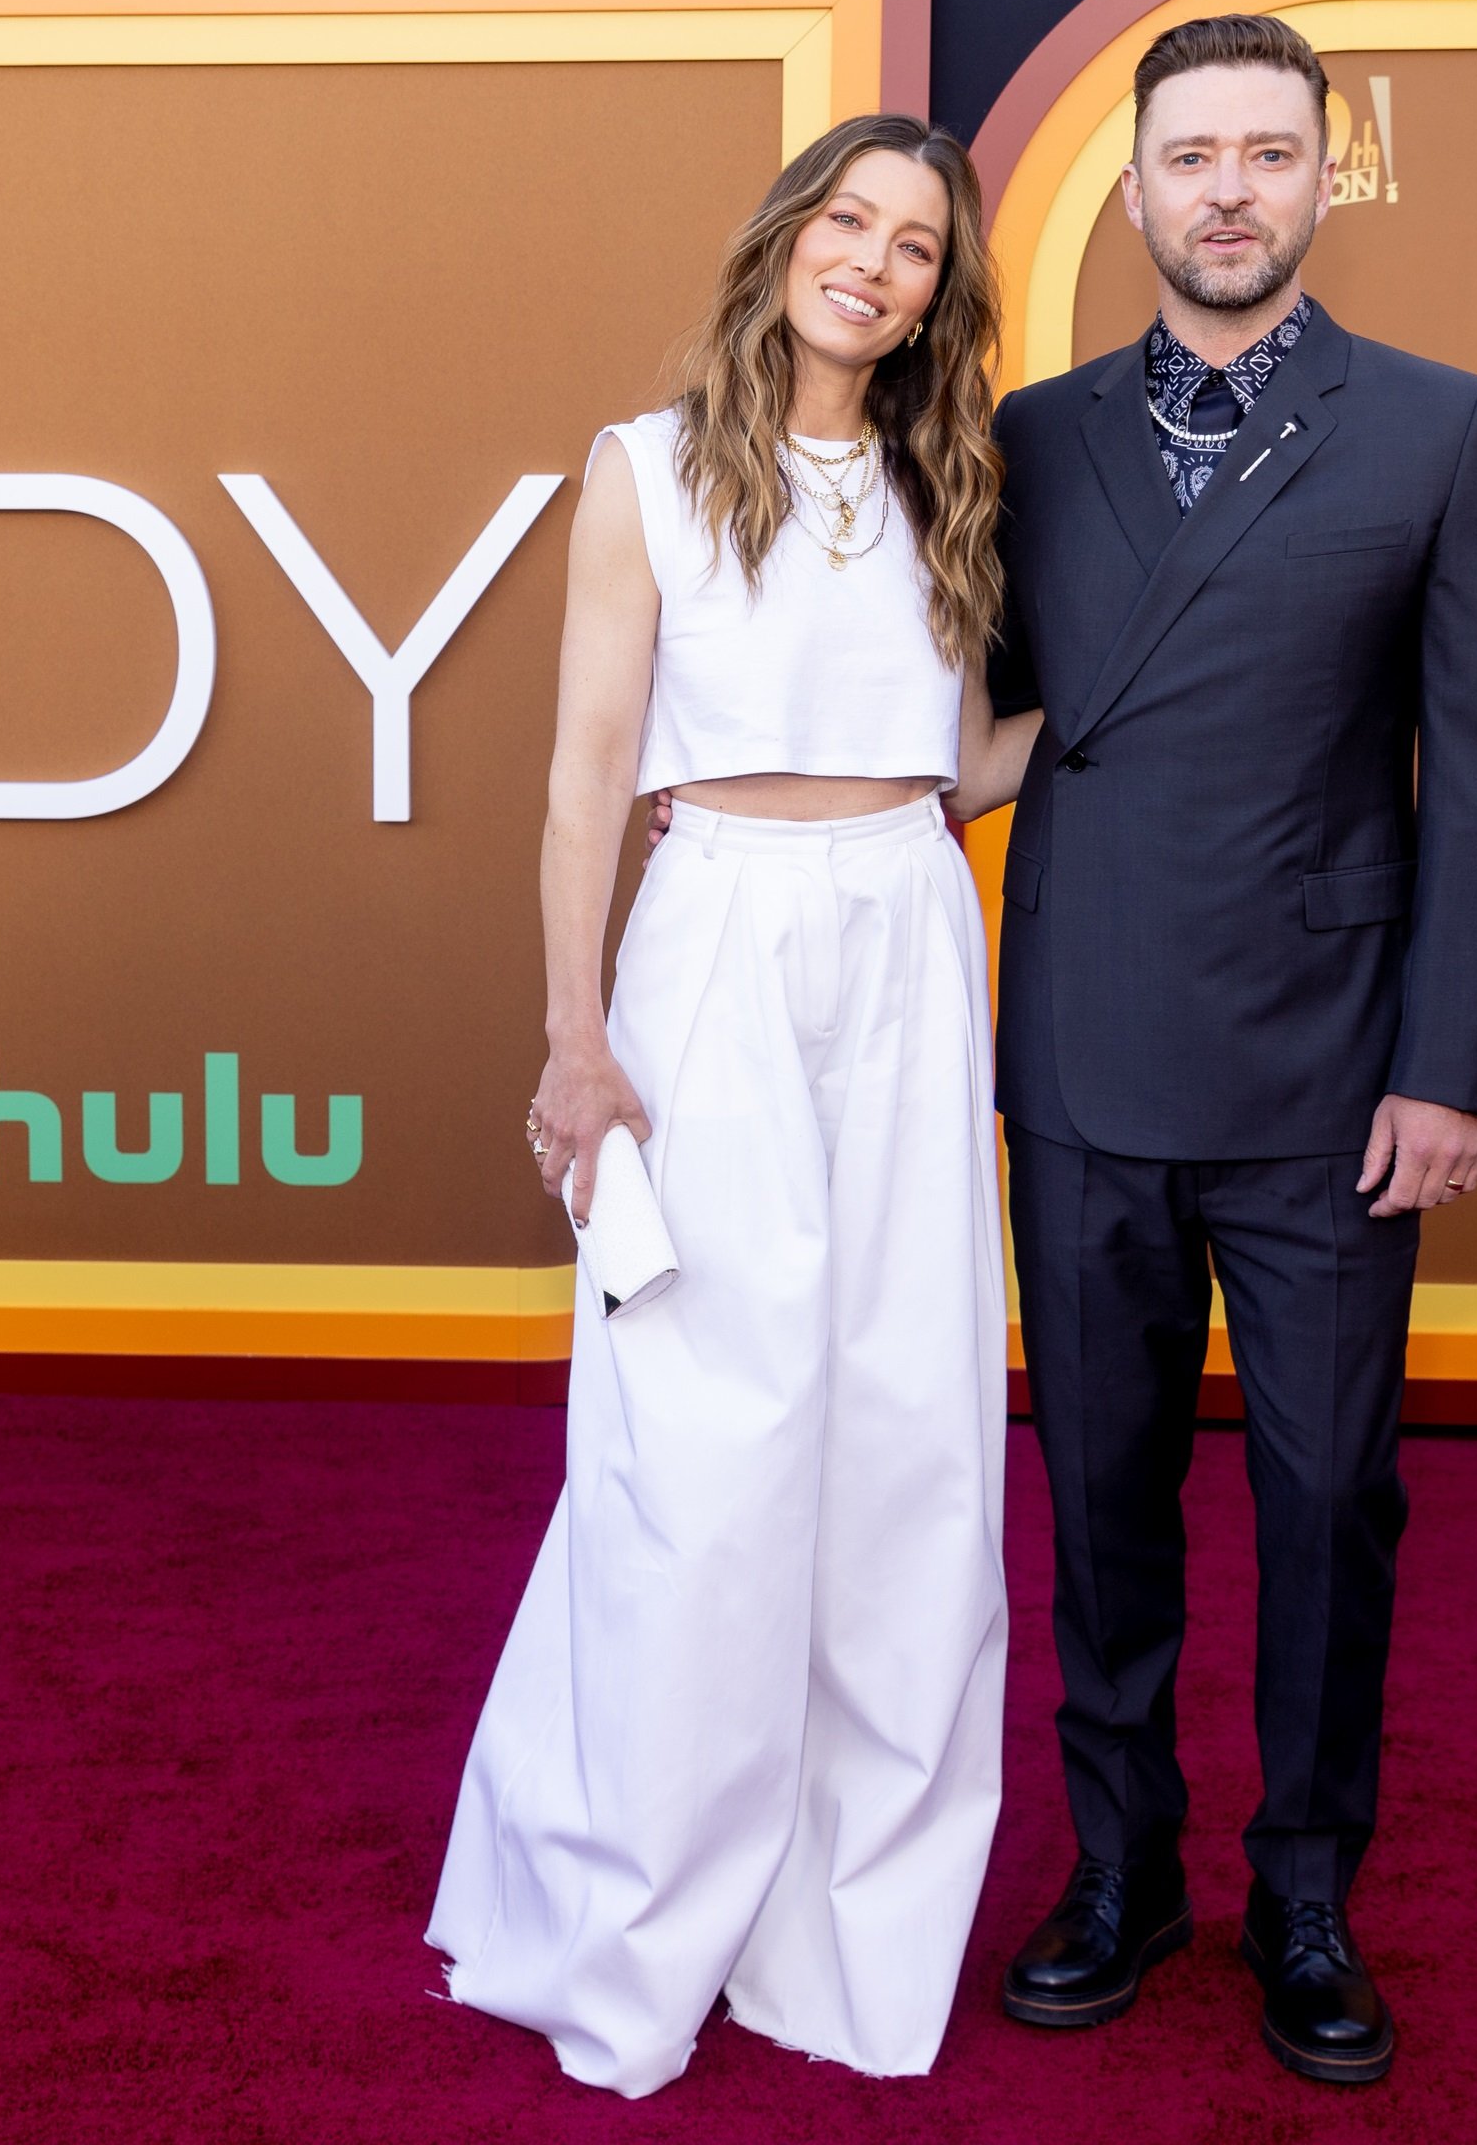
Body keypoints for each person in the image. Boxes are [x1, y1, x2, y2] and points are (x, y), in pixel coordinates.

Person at [966, 13, 1477, 2085]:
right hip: (1089, 1059)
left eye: (1269, 154)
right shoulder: (1024, 439)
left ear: (1325, 180)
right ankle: (1120, 1872)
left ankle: (1307, 1892)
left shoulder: (1440, 429)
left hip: (1329, 1082)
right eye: (1190, 155)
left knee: (1327, 1499)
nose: (1227, 188)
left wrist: (1447, 1067)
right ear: (1130, 192)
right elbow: (961, 718)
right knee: (1100, 1499)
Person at [426, 112, 1029, 2098]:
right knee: (699, 1453)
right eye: (849, 219)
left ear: (944, 297)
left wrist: (1208, 699)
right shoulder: (649, 467)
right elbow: (587, 773)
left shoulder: (955, 479)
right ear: (782, 239)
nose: (877, 259)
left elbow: (958, 762)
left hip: (907, 945)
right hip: (713, 959)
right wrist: (574, 1035)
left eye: (918, 245)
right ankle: (630, 1911)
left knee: (907, 1436)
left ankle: (843, 1934)